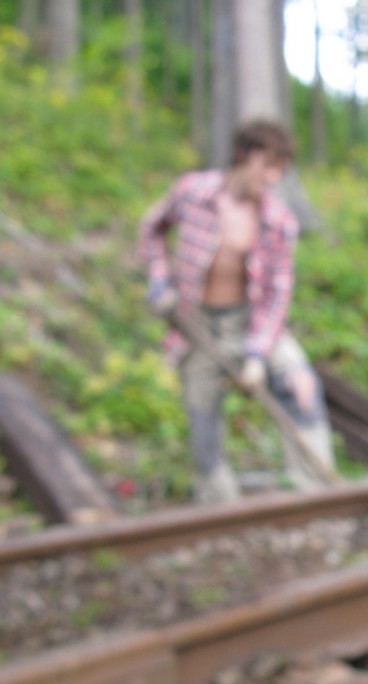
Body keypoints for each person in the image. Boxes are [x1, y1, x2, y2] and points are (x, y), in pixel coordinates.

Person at [137, 119, 335, 502]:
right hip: (197, 324)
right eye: (268, 165)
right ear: (243, 156)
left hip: (252, 321)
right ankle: (219, 503)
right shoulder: (193, 191)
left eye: (281, 168)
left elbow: (278, 295)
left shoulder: (278, 221)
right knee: (202, 414)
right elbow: (152, 228)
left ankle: (319, 492)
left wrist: (258, 354)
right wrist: (159, 282)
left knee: (300, 384)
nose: (273, 176)